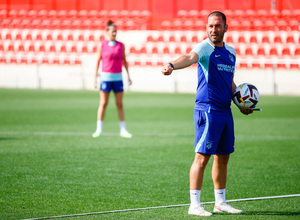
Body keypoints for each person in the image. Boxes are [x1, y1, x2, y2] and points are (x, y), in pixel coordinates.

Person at [161, 11, 253, 216]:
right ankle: (194, 205)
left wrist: (240, 103)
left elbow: (228, 81)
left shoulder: (231, 52)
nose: (213, 30)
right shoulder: (205, 47)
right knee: (202, 157)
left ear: (225, 28)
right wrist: (172, 65)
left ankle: (220, 202)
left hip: (225, 111)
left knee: (223, 157)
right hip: (208, 110)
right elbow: (190, 57)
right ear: (206, 28)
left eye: (218, 26)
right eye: (210, 26)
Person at [93, 20, 133, 138]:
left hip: (117, 78)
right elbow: (97, 61)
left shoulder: (121, 45)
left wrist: (128, 76)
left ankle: (123, 130)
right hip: (105, 78)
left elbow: (124, 61)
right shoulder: (102, 45)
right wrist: (95, 78)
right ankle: (98, 129)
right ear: (107, 32)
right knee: (103, 103)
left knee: (119, 104)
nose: (114, 34)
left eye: (116, 32)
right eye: (112, 32)